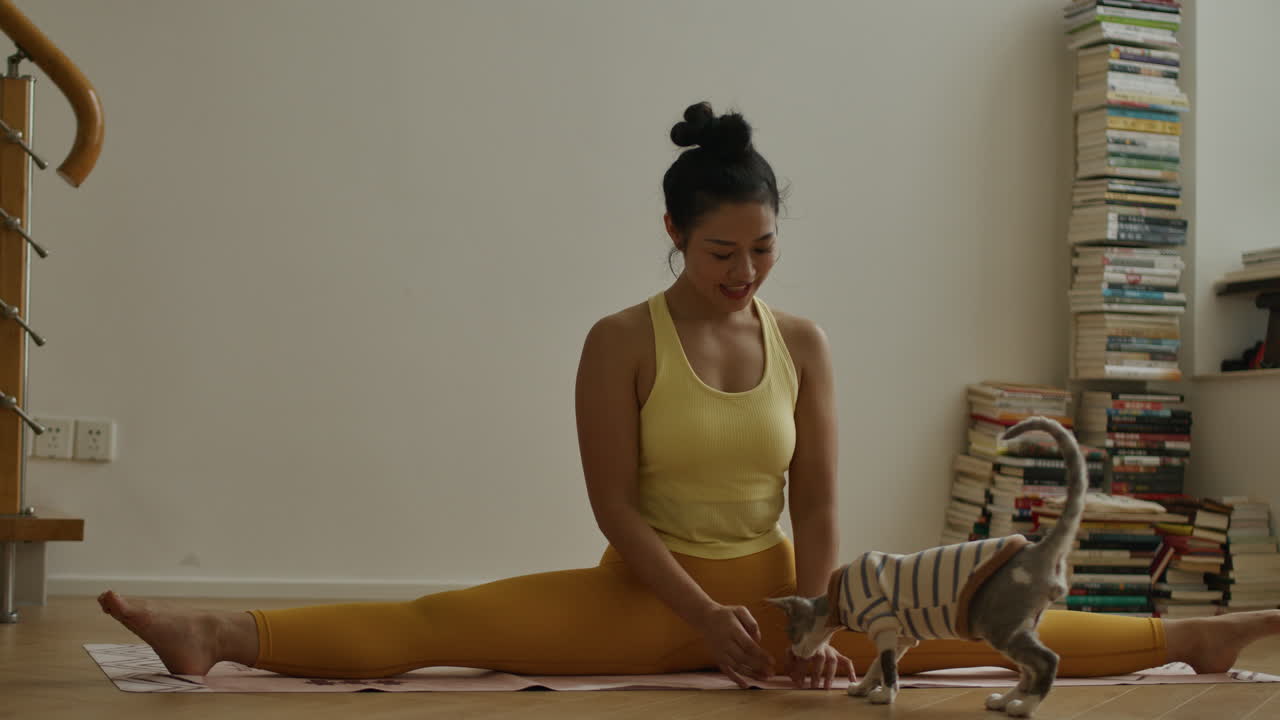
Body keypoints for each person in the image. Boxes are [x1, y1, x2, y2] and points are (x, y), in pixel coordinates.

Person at [100, 101, 1280, 690]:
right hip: (649, 592)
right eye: (722, 253)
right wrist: (703, 627)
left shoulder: (802, 339)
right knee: (439, 628)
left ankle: (1194, 638)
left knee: (965, 620)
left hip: (782, 591)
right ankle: (216, 633)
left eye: (763, 249)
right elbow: (615, 508)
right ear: (672, 235)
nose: (747, 273)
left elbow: (819, 500)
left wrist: (814, 617)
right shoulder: (616, 340)